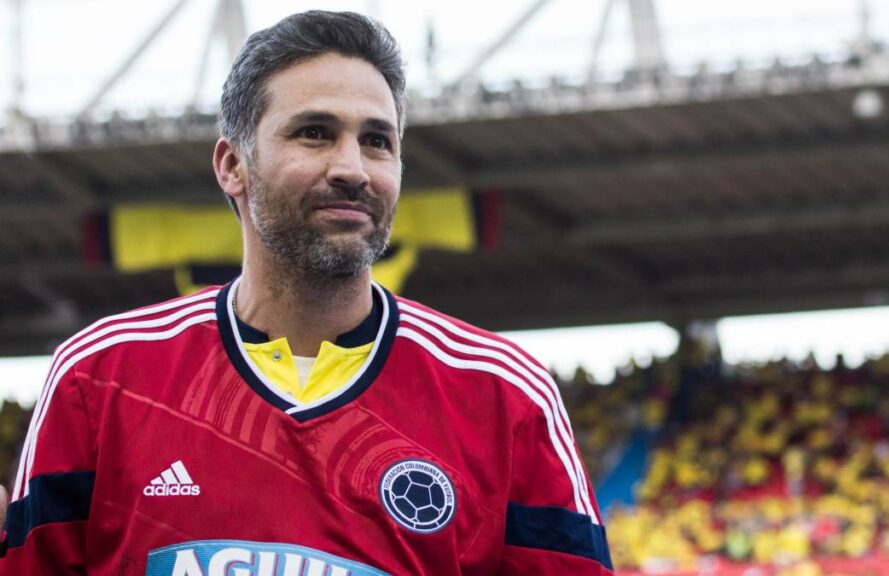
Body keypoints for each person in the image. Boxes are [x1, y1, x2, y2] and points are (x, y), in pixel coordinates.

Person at [0, 11, 612, 575]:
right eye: (315, 133)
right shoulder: (99, 376)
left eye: (378, 141)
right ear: (232, 166)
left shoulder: (505, 395)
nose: (353, 169)